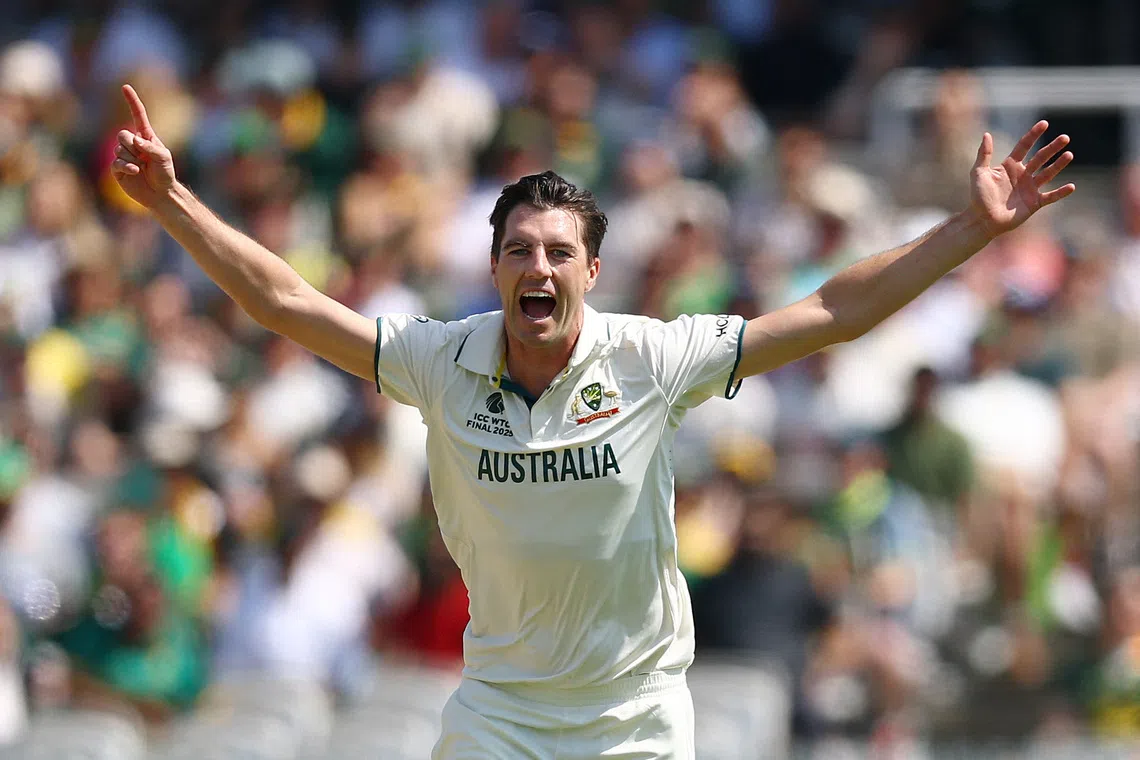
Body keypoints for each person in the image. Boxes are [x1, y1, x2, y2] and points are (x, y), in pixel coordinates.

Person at [110, 83, 1075, 759]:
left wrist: (971, 231)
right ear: (493, 270)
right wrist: (174, 203)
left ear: (593, 273)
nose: (540, 267)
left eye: (560, 253)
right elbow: (284, 302)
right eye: (520, 250)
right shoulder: (437, 360)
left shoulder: (651, 357)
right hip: (501, 711)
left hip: (635, 717)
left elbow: (831, 313)